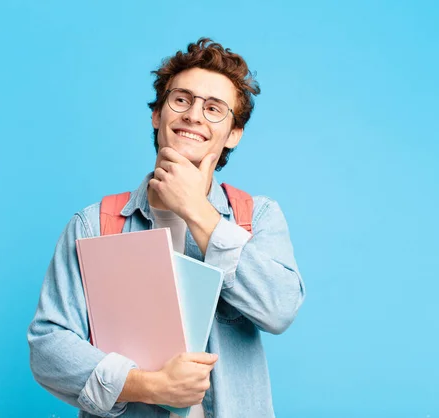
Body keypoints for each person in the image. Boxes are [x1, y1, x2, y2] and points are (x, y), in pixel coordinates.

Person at [27, 37, 306, 418]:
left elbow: (279, 309)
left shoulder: (256, 218)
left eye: (213, 109)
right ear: (157, 114)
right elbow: (48, 345)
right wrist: (150, 385)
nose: (193, 115)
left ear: (234, 134)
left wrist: (196, 209)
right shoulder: (94, 224)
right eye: (181, 100)